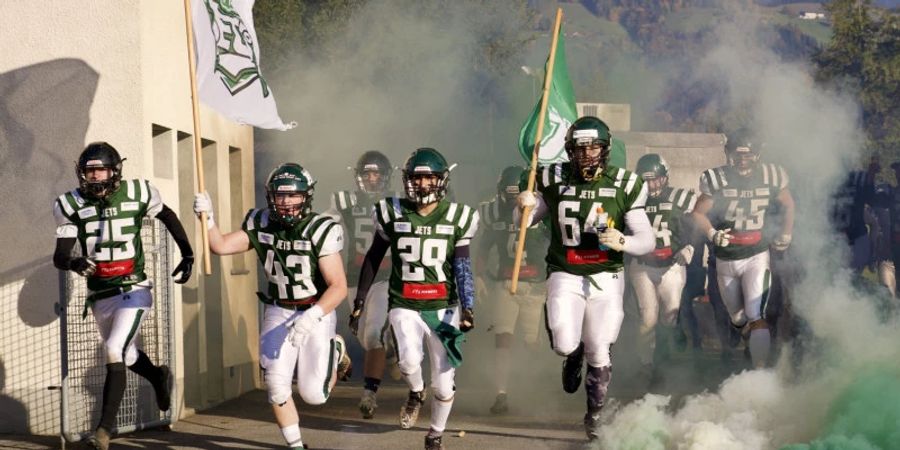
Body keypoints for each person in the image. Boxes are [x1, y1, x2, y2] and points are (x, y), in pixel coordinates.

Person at [192, 162, 351, 450]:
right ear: (270, 197)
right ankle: (296, 446)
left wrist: (313, 316)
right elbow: (221, 246)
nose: (287, 202)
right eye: (281, 195)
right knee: (276, 387)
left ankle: (335, 350)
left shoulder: (320, 228)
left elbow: (338, 286)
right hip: (278, 308)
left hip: (316, 310)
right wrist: (209, 219)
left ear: (307, 196)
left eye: (294, 195)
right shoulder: (261, 221)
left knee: (314, 395)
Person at [516, 116, 655, 440]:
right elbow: (527, 222)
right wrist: (524, 205)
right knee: (565, 343)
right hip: (566, 270)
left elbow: (646, 239)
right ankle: (572, 353)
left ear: (605, 150)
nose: (588, 154)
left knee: (600, 346)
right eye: (581, 148)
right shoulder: (551, 177)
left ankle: (594, 414)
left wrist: (624, 241)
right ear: (569, 151)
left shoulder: (625, 183)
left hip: (607, 275)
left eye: (594, 147)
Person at [52, 142, 193, 450]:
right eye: (89, 172)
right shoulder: (69, 204)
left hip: (134, 289)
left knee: (114, 347)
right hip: (100, 294)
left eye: (100, 170)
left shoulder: (138, 192)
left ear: (115, 172)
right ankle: (157, 376)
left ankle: (103, 431)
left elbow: (167, 216)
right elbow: (59, 256)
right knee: (126, 355)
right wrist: (75, 262)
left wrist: (188, 253)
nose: (95, 178)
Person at [350, 147, 478, 450]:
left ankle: (434, 434)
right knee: (408, 362)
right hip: (404, 301)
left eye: (429, 178)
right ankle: (416, 392)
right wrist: (360, 300)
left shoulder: (458, 216)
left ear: (441, 180)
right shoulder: (391, 211)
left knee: (445, 385)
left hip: (443, 306)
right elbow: (373, 256)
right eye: (417, 179)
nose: (422, 185)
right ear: (407, 180)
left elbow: (462, 266)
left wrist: (468, 305)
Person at [691, 129, 794, 369]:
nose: (742, 160)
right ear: (728, 154)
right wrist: (712, 233)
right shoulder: (717, 179)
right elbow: (698, 213)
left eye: (748, 155)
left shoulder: (771, 175)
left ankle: (758, 370)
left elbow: (788, 204)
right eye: (738, 155)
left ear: (757, 154)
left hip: (756, 253)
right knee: (738, 318)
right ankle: (752, 342)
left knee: (755, 313)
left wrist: (786, 233)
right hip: (726, 258)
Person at [327, 150, 397, 419]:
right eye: (366, 173)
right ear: (358, 176)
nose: (371, 178)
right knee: (365, 336)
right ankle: (389, 354)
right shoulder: (344, 200)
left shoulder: (396, 203)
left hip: (384, 276)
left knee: (371, 333)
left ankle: (369, 394)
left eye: (376, 173)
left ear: (385, 176)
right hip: (355, 276)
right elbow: (326, 226)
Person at [476, 165, 547, 414]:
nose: (512, 202)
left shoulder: (543, 210)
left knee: (531, 342)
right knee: (503, 338)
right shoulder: (493, 212)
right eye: (507, 197)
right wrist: (479, 275)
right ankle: (501, 393)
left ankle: (536, 384)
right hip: (505, 283)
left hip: (536, 285)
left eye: (516, 196)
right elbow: (483, 246)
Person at [629, 153, 696, 383]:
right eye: (646, 179)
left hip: (671, 265)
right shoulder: (630, 198)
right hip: (642, 265)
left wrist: (689, 247)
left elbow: (694, 226)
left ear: (665, 178)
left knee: (670, 315)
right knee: (648, 318)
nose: (651, 184)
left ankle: (664, 357)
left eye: (656, 179)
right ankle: (646, 364)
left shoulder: (680, 197)